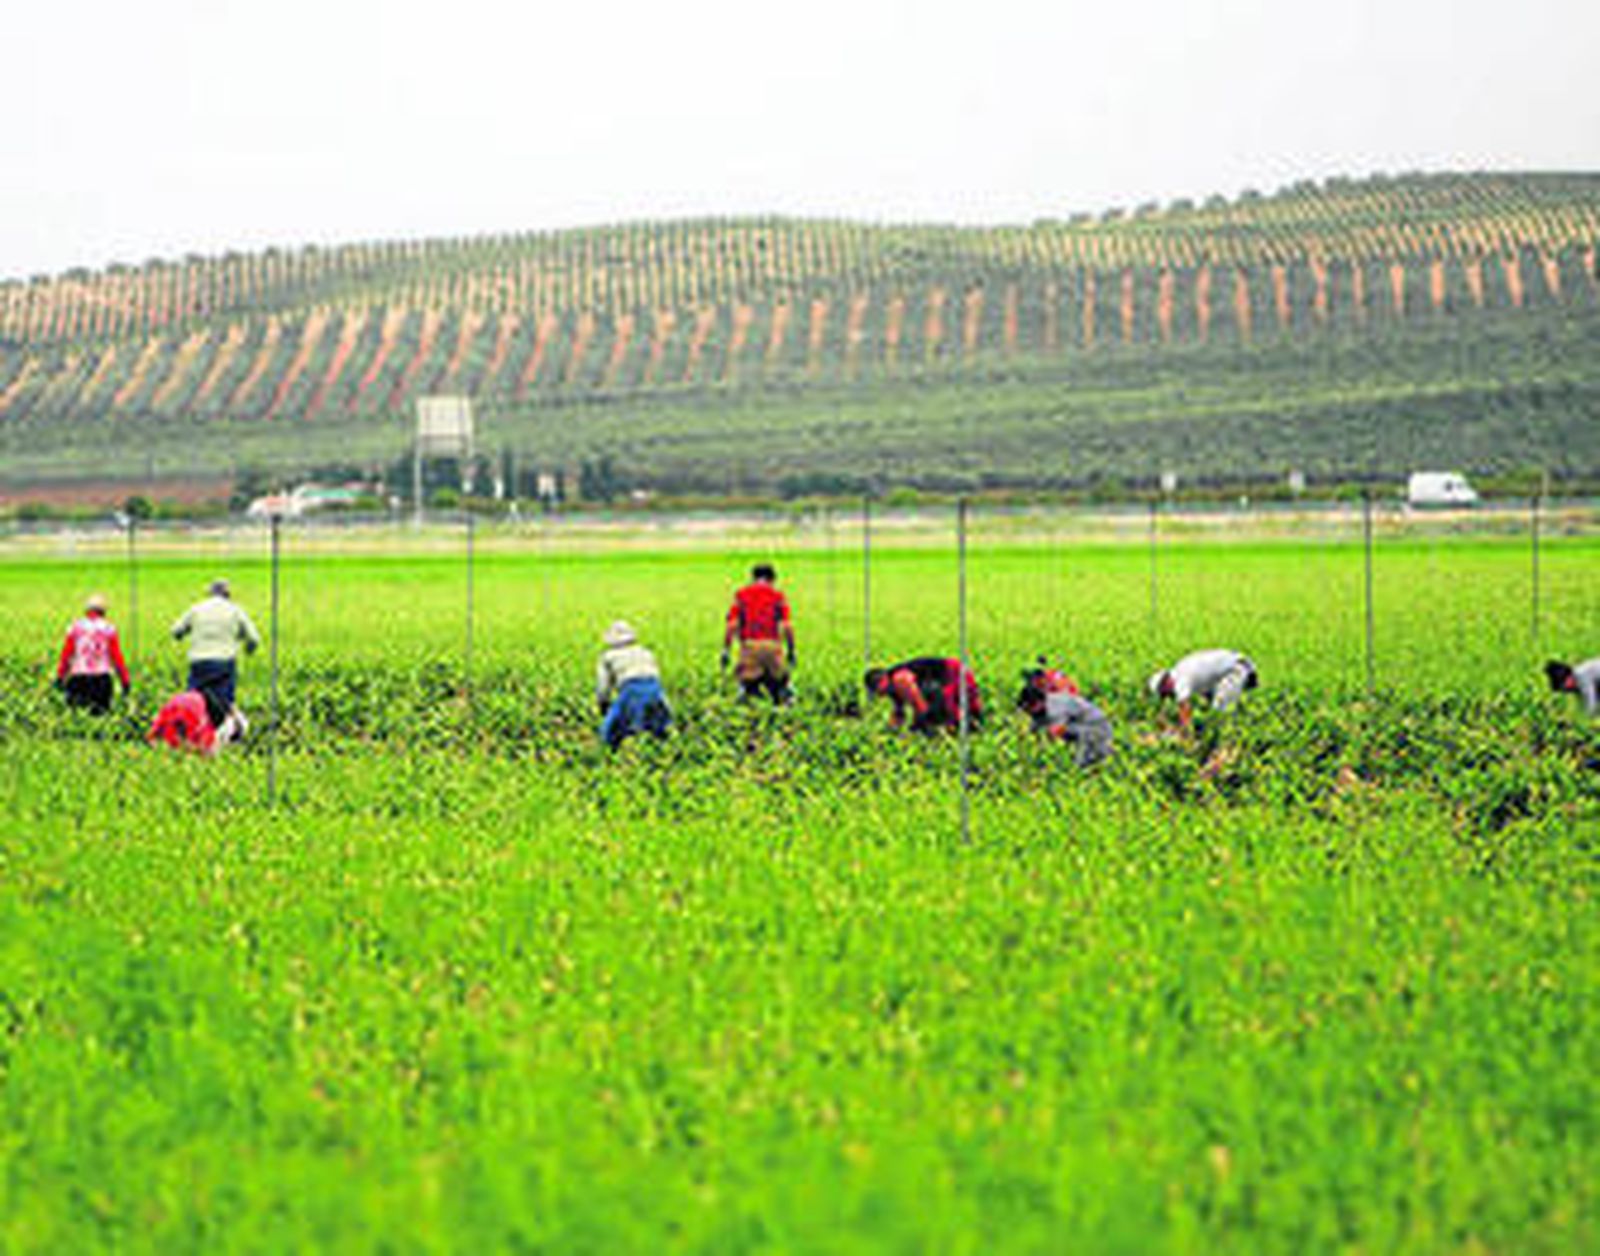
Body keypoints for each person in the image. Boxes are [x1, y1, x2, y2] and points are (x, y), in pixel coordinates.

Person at [171, 577, 261, 725]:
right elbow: (254, 639)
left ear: (210, 593)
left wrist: (186, 635)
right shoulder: (235, 610)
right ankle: (225, 735)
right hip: (224, 663)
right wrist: (248, 649)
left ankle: (193, 733)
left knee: (195, 701)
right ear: (227, 595)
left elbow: (176, 631)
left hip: (199, 663)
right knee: (224, 703)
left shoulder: (197, 609)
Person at [722, 562, 795, 704]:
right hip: (773, 648)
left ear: (753, 577)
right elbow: (787, 626)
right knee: (780, 690)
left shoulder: (741, 595)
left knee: (748, 692)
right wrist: (791, 650)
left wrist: (726, 650)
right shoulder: (777, 596)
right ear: (772, 579)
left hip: (749, 648)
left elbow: (732, 625)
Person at [1016, 660, 1114, 767]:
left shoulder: (1055, 685)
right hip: (1073, 714)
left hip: (1092, 727)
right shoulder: (1039, 690)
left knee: (1064, 738)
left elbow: (1055, 728)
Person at [596, 620, 672, 749]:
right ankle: (664, 751)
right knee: (659, 726)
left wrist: (603, 703)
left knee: (611, 728)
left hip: (631, 688)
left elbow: (603, 687)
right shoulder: (645, 652)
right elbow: (656, 674)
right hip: (654, 688)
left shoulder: (608, 656)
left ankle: (607, 752)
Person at [55, 593, 131, 714]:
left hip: (78, 678)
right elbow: (117, 658)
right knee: (99, 717)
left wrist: (60, 677)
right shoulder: (109, 629)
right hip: (101, 680)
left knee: (76, 718)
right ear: (104, 611)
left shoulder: (75, 627)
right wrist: (125, 681)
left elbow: (66, 655)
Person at [1148, 648, 1258, 731]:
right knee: (1215, 709)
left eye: (1165, 692)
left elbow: (1184, 708)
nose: (1168, 696)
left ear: (1166, 682)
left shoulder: (1180, 678)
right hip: (1233, 667)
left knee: (1219, 713)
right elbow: (1205, 692)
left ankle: (1227, 745)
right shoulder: (1182, 671)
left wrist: (1184, 733)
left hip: (1235, 669)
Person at [864, 656, 982, 733]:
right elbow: (899, 712)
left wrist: (921, 726)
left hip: (952, 672)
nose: (880, 695)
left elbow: (921, 705)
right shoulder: (892, 689)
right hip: (940, 680)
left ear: (883, 680)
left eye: (878, 689)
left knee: (954, 711)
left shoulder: (899, 679)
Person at [147, 689, 218, 755]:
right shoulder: (166, 718)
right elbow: (151, 737)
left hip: (195, 702)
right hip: (186, 701)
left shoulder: (198, 724)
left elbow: (208, 747)